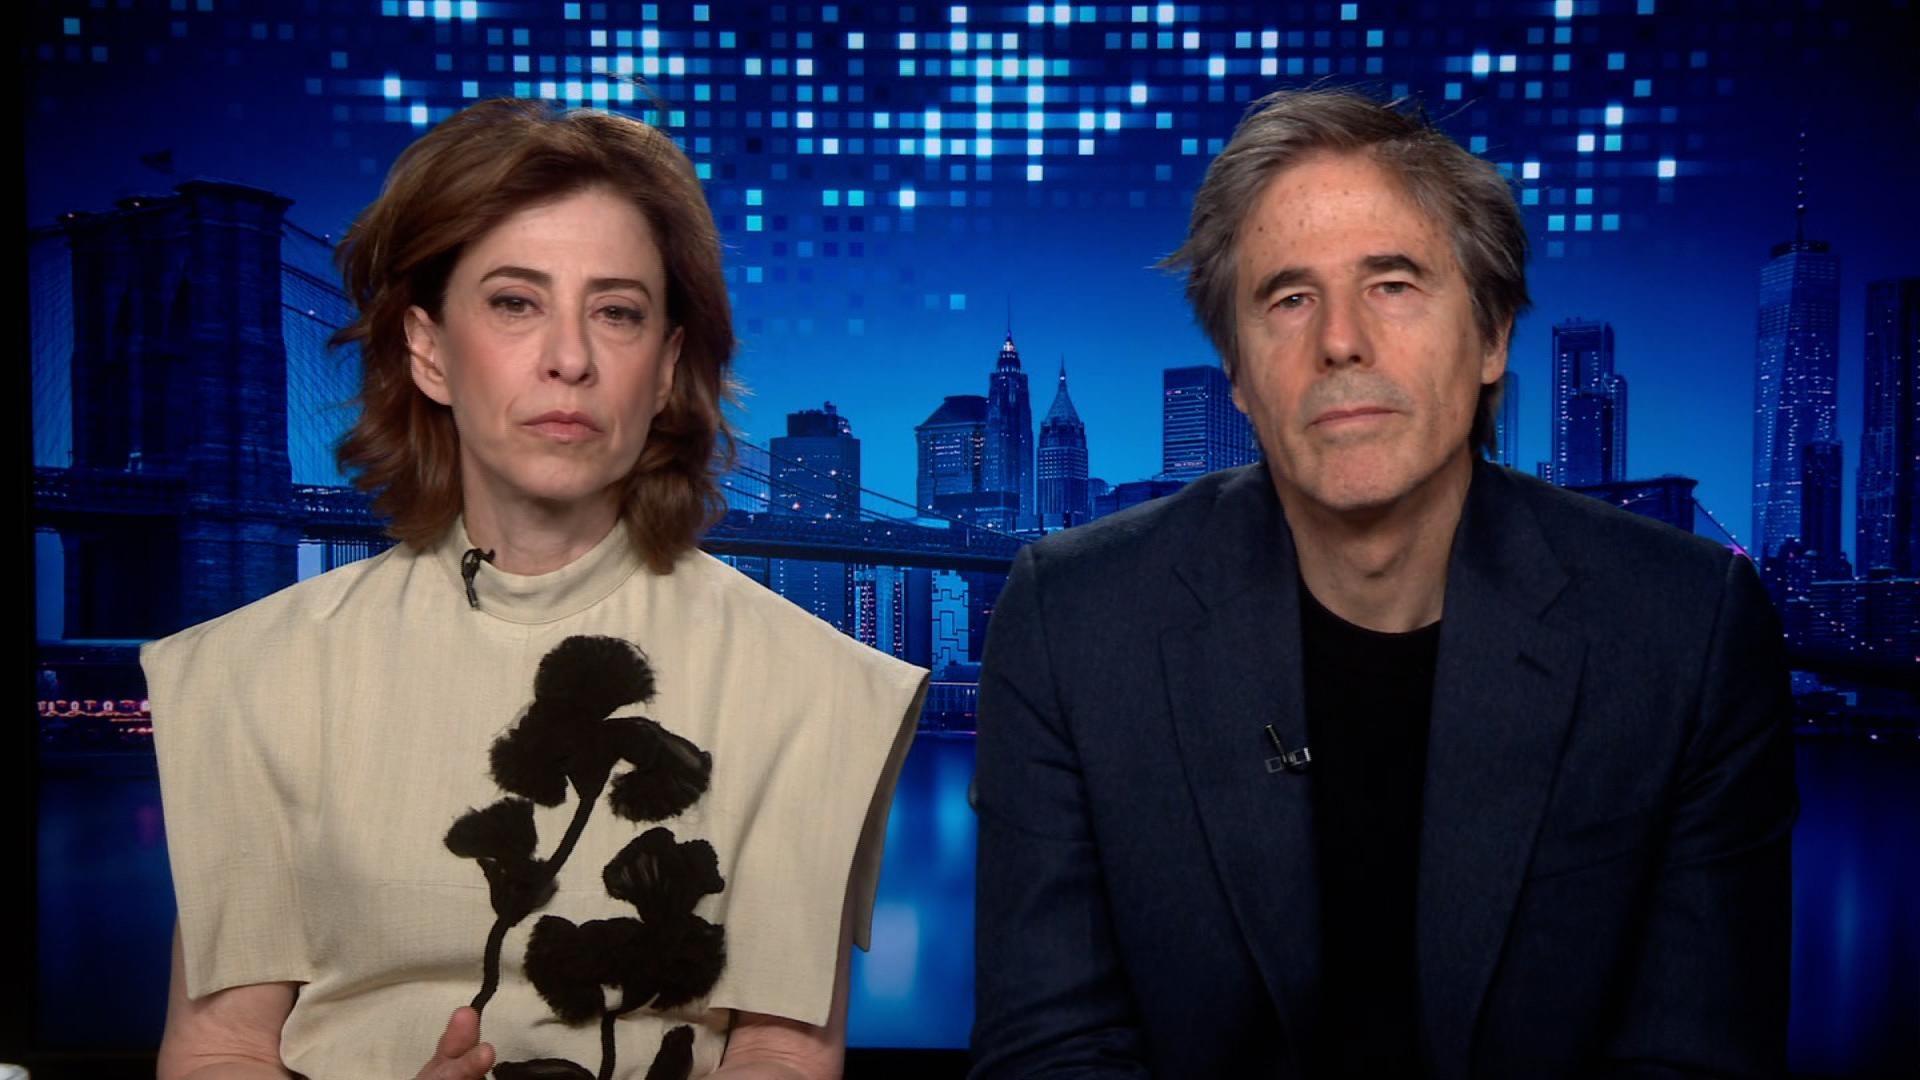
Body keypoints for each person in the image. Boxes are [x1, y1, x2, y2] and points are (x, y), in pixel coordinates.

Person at [970, 88, 1795, 1079]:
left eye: (1394, 284)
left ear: (1492, 337)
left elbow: (1695, 1059)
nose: (1340, 340)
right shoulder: (1073, 620)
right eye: (1289, 299)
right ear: (1237, 376)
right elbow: (1050, 1052)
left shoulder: (1685, 631)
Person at [146, 99, 928, 1080]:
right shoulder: (255, 673)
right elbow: (217, 1051)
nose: (570, 358)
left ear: (666, 368)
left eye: (617, 311)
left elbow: (783, 1052)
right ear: (428, 349)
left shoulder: (813, 688)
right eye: (515, 303)